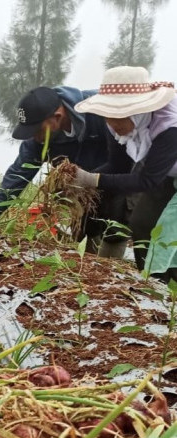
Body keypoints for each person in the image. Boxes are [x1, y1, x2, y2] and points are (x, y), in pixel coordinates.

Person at [0, 86, 119, 254]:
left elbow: (126, 158)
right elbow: (18, 173)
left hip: (119, 175)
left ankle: (117, 269)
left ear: (57, 117)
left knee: (118, 221)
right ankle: (91, 263)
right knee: (84, 226)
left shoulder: (99, 111)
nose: (34, 136)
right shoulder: (37, 141)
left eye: (36, 130)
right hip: (83, 189)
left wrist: (94, 178)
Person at [71, 66, 177, 279]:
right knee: (142, 223)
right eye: (109, 115)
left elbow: (147, 180)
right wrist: (80, 179)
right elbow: (117, 165)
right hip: (166, 174)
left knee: (170, 233)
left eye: (121, 115)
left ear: (140, 110)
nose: (113, 123)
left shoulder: (168, 126)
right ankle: (151, 283)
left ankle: (170, 290)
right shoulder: (114, 125)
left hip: (160, 173)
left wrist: (92, 179)